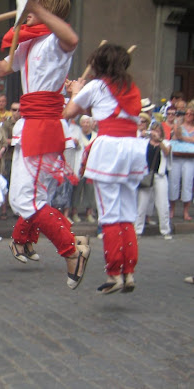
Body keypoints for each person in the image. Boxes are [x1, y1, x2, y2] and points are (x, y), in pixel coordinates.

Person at [0, 0, 90, 289]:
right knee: (30, 198)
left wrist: (38, 9)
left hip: (43, 125)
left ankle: (72, 248)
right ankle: (54, 241)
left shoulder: (55, 41)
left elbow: (72, 38)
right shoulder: (31, 42)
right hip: (33, 124)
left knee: (26, 199)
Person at [64, 43, 147, 295]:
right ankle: (128, 272)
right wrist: (82, 94)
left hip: (110, 149)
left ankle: (114, 274)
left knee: (110, 213)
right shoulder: (131, 88)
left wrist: (75, 91)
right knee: (126, 212)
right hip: (133, 149)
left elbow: (68, 112)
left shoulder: (95, 86)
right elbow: (108, 110)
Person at [135, 122, 172, 239]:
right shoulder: (144, 143)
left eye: (158, 130)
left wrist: (159, 141)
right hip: (147, 176)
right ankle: (137, 230)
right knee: (142, 204)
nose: (155, 133)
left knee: (163, 204)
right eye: (154, 130)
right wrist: (143, 134)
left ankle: (165, 230)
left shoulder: (166, 143)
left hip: (160, 176)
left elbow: (167, 152)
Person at [69, 116, 97, 223]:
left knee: (90, 190)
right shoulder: (77, 134)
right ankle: (74, 212)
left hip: (92, 166)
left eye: (87, 122)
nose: (86, 124)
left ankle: (89, 213)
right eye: (84, 122)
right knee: (77, 190)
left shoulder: (96, 136)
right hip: (80, 166)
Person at [168, 105, 194, 221]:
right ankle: (171, 210)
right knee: (173, 181)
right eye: (186, 113)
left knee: (187, 183)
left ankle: (185, 211)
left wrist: (182, 138)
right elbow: (176, 135)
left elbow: (182, 138)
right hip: (177, 156)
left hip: (190, 157)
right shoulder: (179, 125)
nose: (188, 116)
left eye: (191, 114)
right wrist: (177, 121)